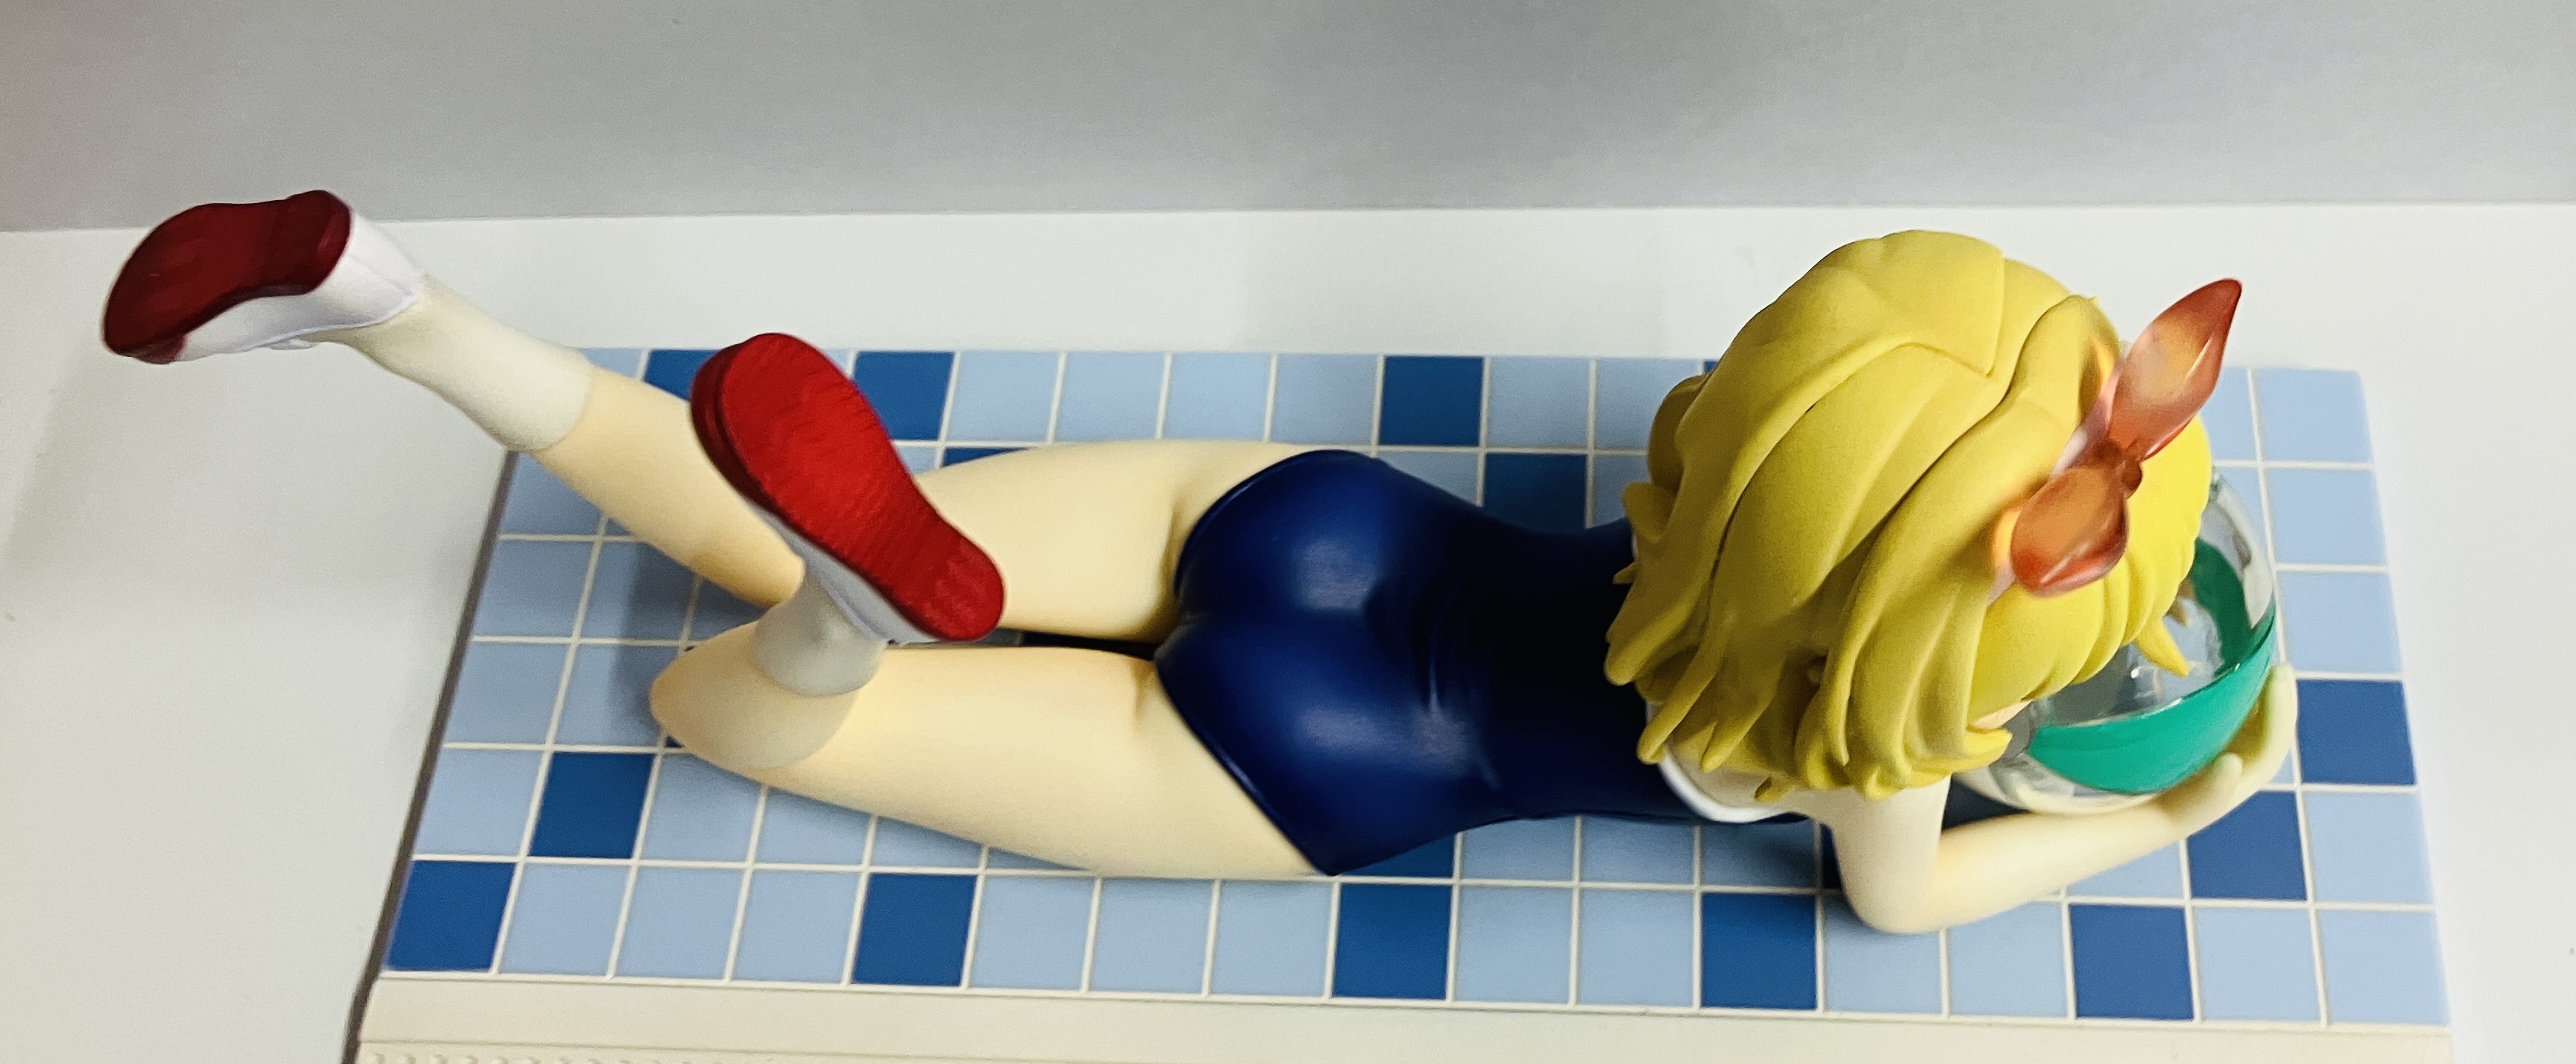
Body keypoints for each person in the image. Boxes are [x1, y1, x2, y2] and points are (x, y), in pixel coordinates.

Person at [101, 192, 2292, 933]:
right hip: (1334, 755)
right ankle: (844, 636)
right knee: (715, 705)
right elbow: (1901, 904)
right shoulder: (1859, 750)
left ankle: (386, 301)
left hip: (1327, 517)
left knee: (746, 488)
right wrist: (2165, 812)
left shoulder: (1733, 474)